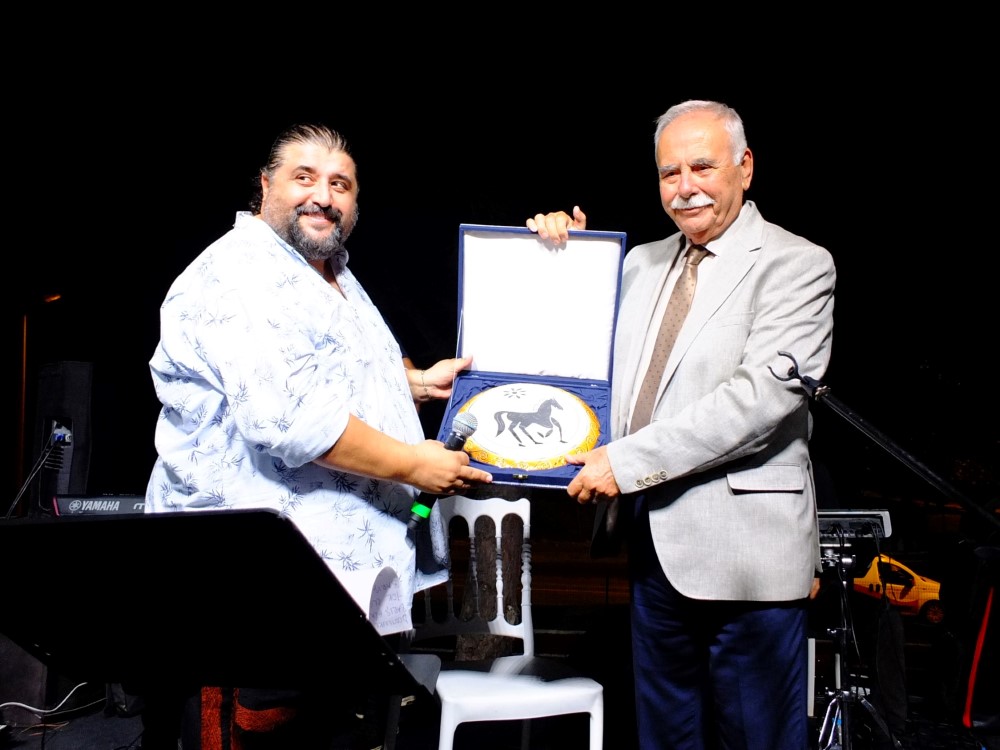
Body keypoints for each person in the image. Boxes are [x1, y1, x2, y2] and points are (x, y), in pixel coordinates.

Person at [142, 122, 492, 748]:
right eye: (304, 178)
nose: (323, 197)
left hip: (334, 589)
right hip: (260, 594)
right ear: (265, 186)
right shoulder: (244, 274)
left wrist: (412, 382)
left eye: (340, 184)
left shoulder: (323, 270)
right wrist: (415, 466)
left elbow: (327, 369)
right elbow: (293, 419)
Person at [527, 100, 835, 750]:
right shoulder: (638, 263)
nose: (685, 186)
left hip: (747, 557)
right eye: (670, 173)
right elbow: (580, 359)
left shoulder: (798, 264)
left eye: (702, 167)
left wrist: (625, 463)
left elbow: (757, 403)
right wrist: (568, 263)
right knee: (665, 738)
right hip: (654, 551)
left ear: (745, 167)